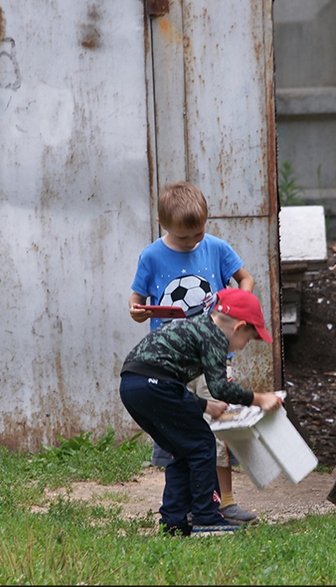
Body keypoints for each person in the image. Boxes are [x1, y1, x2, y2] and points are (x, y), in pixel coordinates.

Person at [127, 180, 259, 524]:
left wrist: (237, 305)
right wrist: (137, 311)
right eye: (185, 237)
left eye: (199, 233)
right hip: (171, 367)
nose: (194, 242)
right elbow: (135, 301)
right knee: (182, 435)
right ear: (163, 226)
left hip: (212, 359)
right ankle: (187, 506)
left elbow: (246, 280)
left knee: (218, 429)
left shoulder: (215, 247)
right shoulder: (151, 255)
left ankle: (224, 501)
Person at [120, 288, 284, 536]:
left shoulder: (198, 326)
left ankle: (174, 522)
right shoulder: (215, 337)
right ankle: (206, 518)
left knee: (182, 450)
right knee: (203, 444)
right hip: (155, 384)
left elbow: (169, 382)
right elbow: (219, 387)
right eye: (248, 340)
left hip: (133, 386)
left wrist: (206, 406)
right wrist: (259, 399)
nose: (241, 347)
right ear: (239, 327)